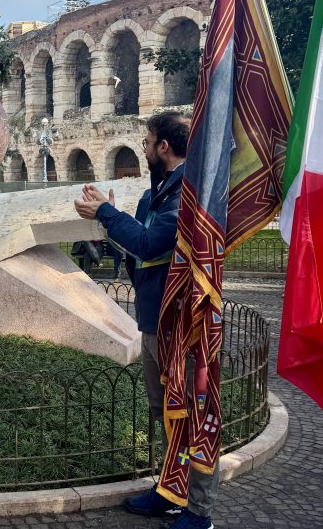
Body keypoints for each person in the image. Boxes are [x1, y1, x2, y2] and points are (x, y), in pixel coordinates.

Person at [74, 111, 217, 529]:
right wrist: (114, 216)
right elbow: (136, 249)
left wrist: (105, 214)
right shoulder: (155, 193)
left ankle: (199, 511)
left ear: (164, 148)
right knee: (166, 411)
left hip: (185, 325)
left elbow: (150, 241)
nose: (144, 147)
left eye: (147, 141)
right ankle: (171, 491)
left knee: (194, 412)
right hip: (155, 318)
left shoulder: (188, 194)